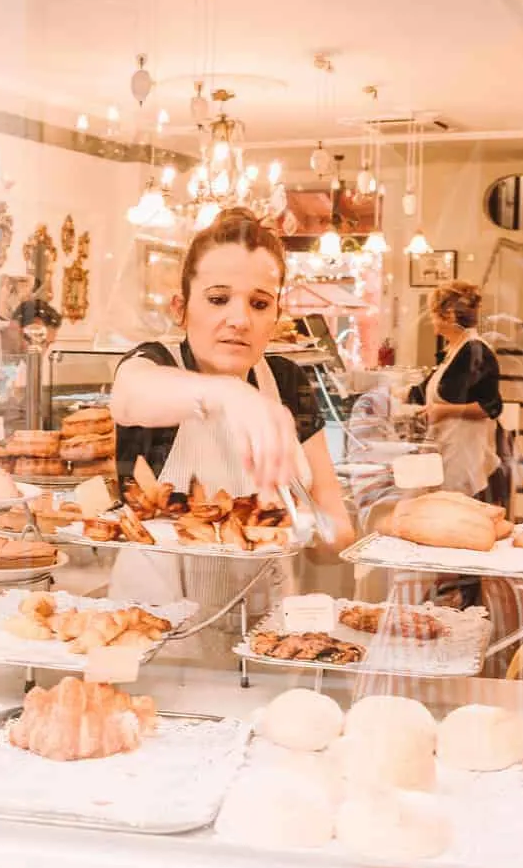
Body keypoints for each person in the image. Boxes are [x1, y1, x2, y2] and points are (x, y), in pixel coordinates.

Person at [108, 208, 355, 614]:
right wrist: (228, 395)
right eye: (218, 299)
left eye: (259, 304)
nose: (239, 319)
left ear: (276, 315)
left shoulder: (288, 381)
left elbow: (332, 533)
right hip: (155, 632)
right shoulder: (153, 363)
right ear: (180, 308)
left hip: (264, 633)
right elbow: (129, 396)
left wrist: (323, 531)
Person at [411, 280, 505, 504]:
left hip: (461, 456)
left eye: (434, 313)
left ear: (449, 315)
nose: (431, 319)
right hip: (445, 449)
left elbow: (490, 406)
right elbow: (426, 391)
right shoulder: (454, 349)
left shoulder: (475, 351)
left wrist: (445, 411)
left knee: (452, 512)